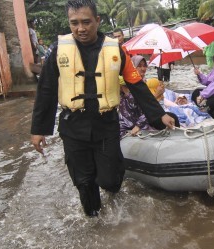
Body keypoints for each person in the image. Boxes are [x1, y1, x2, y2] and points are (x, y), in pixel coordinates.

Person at [30, 0, 176, 217]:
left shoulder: (116, 50)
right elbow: (46, 90)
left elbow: (137, 85)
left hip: (106, 125)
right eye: (74, 23)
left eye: (86, 22)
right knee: (83, 181)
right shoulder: (58, 50)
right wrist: (38, 129)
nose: (81, 28)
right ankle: (94, 220)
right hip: (73, 126)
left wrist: (160, 115)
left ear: (97, 21)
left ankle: (111, 190)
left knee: (110, 179)